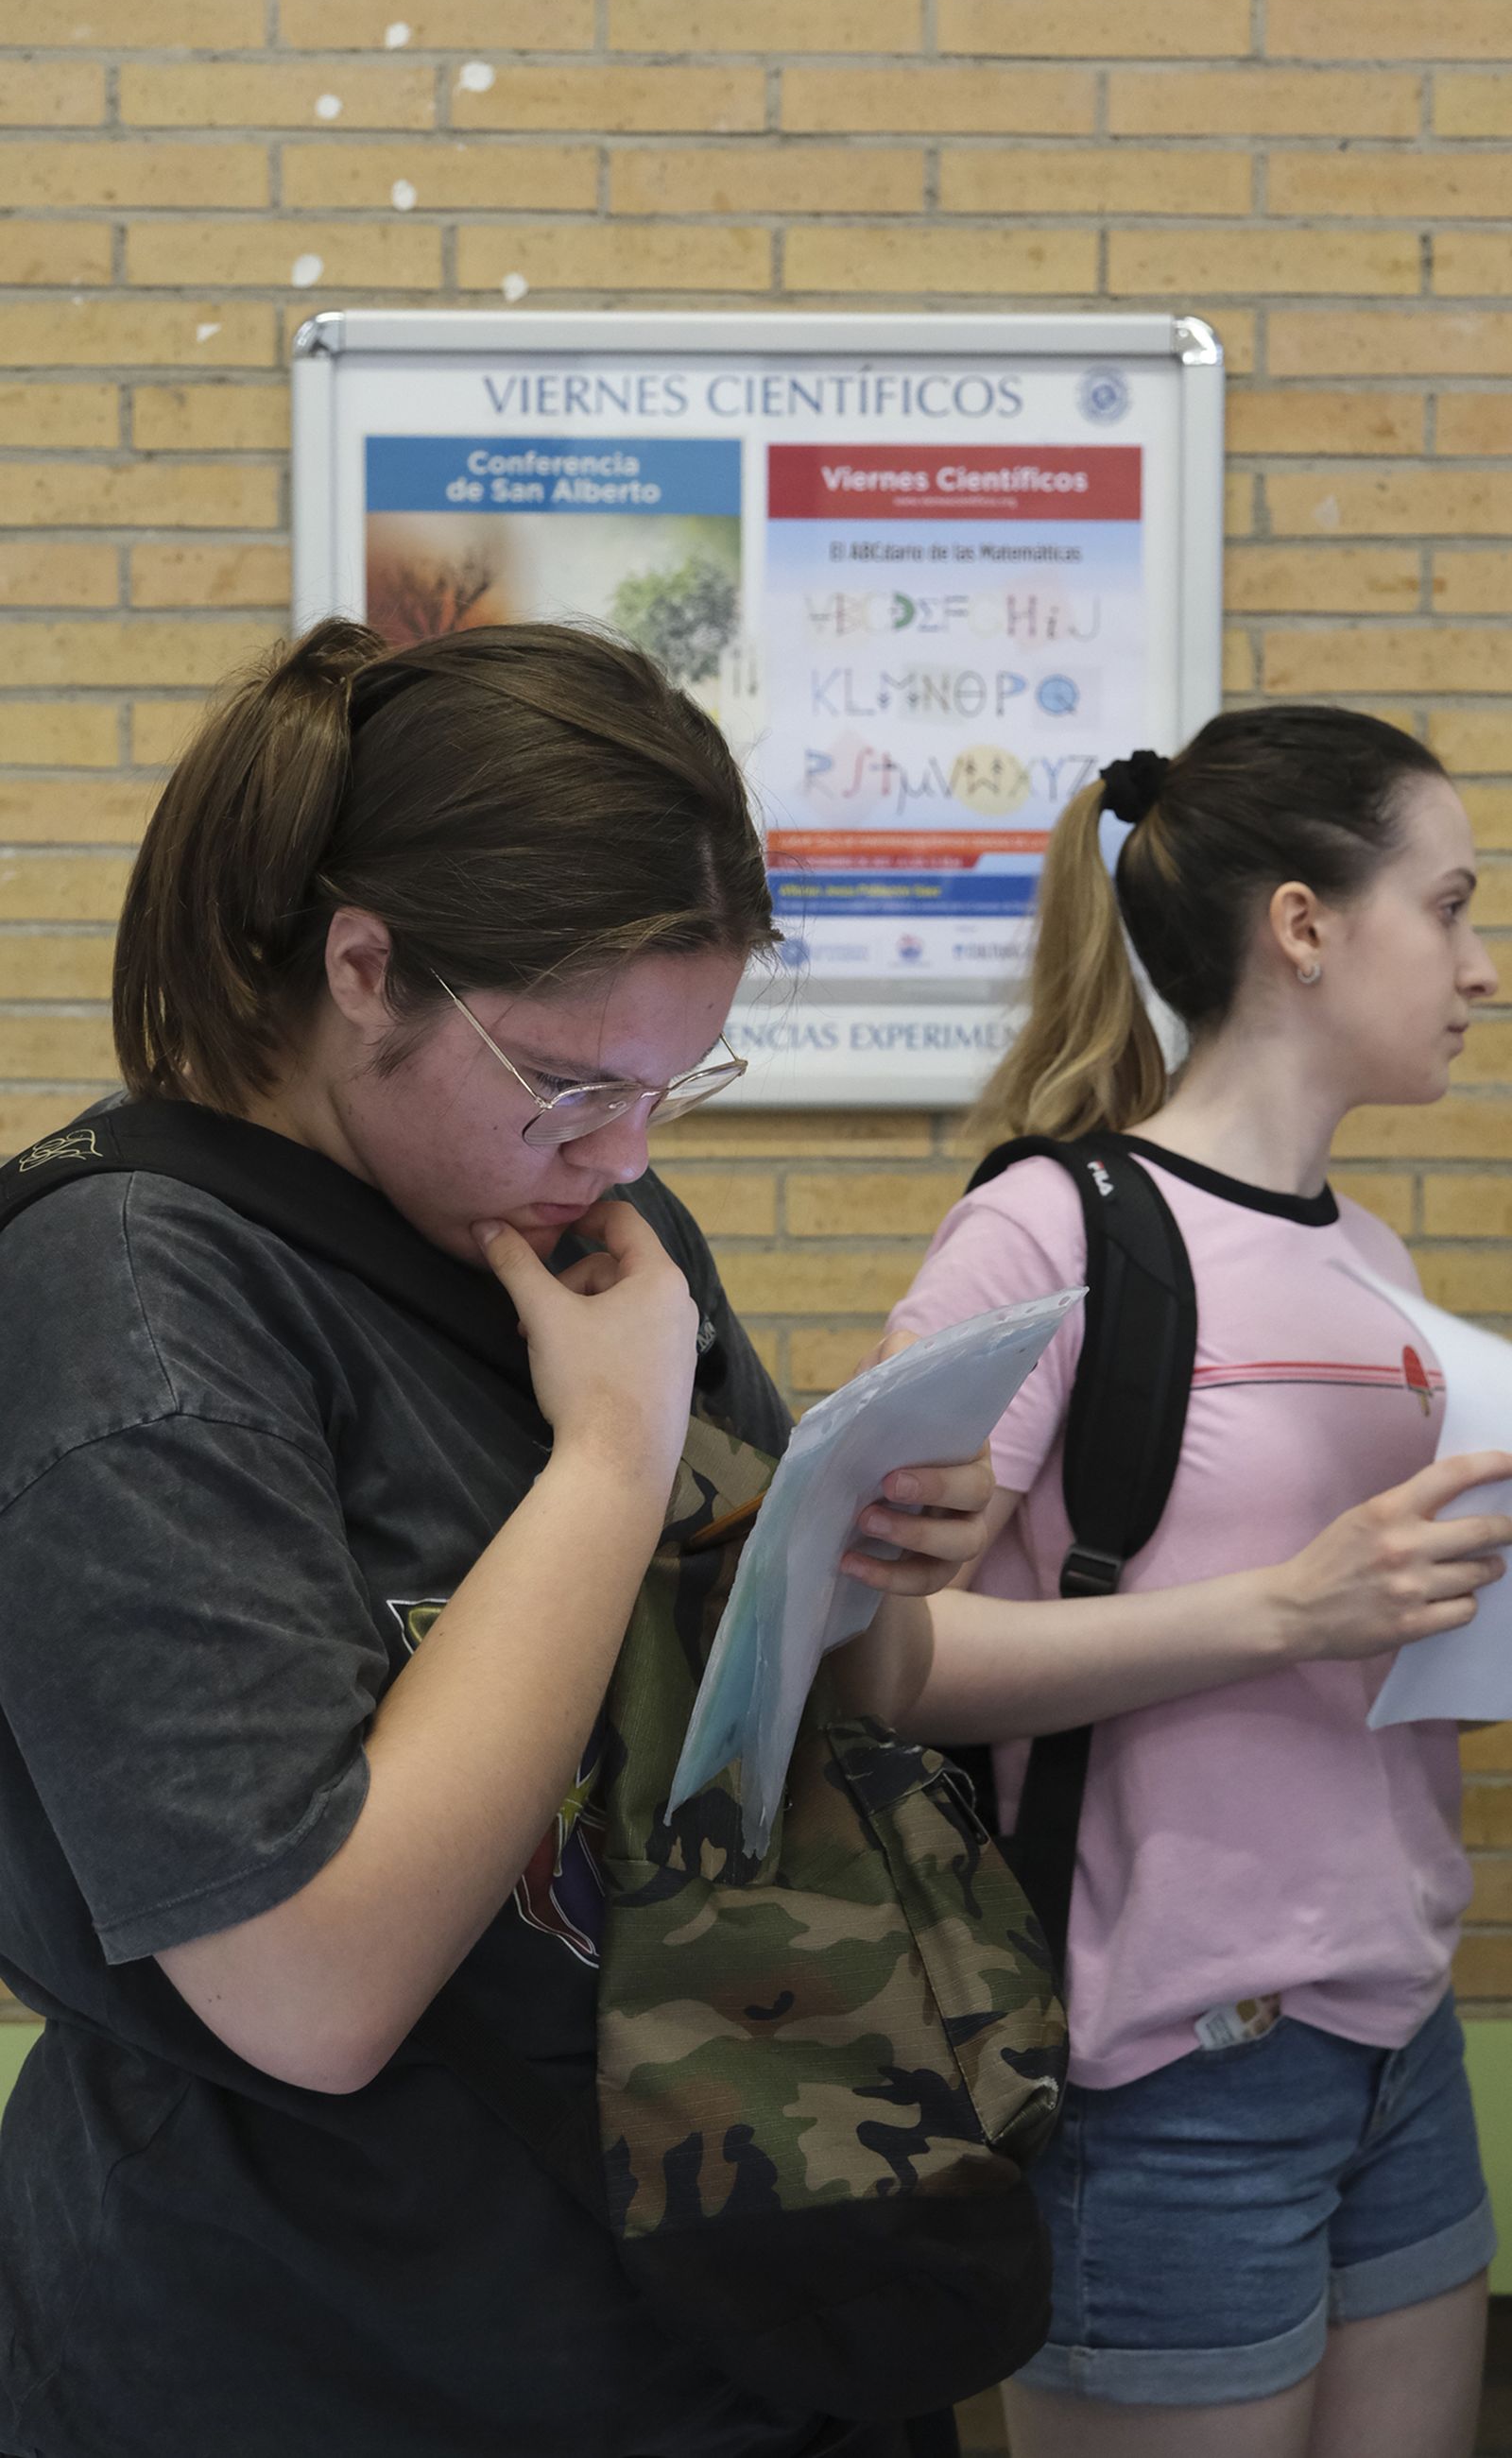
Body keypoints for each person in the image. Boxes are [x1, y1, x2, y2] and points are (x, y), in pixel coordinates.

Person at [0, 618, 1000, 2458]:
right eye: (566, 1083)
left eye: (668, 1089)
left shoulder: (583, 1234)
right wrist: (614, 1458)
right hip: (328, 2347)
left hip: (719, 2282)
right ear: (362, 967)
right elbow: (312, 1988)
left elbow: (801, 1687)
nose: (619, 1154)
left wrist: (853, 1553)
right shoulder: (133, 1301)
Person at [852, 706, 1512, 2458]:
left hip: (1398, 2036)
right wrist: (1288, 1608)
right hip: (1161, 2078)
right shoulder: (1046, 1232)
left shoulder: (1373, 1257)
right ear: (1303, 924)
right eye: (1447, 908)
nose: (1482, 965)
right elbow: (881, 1661)